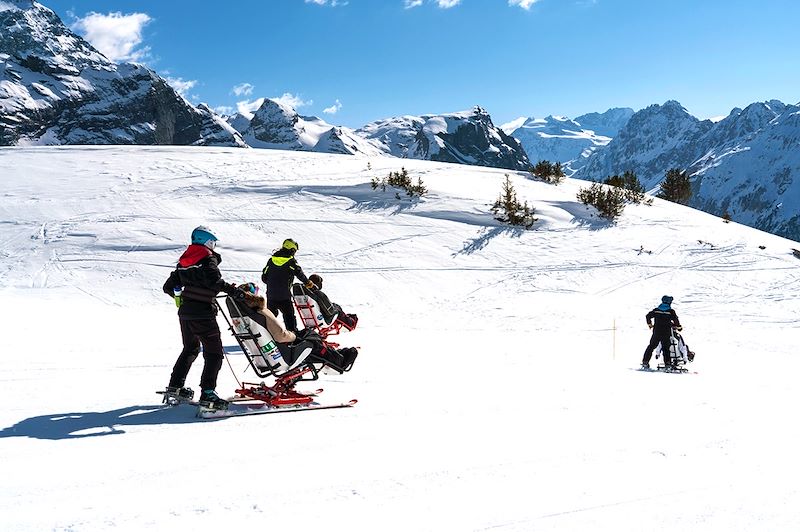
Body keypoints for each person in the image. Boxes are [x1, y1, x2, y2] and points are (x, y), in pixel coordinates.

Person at [162, 226, 246, 409]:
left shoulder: (183, 261)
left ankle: (175, 386)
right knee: (214, 353)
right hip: (203, 313)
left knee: (190, 349)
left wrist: (183, 295)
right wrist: (235, 292)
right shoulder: (208, 257)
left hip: (185, 313)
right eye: (213, 242)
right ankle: (208, 393)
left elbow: (168, 287)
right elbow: (214, 282)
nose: (214, 245)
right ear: (207, 241)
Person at [237, 282, 358, 370]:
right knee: (311, 338)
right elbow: (281, 335)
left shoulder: (245, 316)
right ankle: (339, 361)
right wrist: (294, 335)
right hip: (282, 355)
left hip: (265, 357)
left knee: (308, 338)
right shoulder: (262, 312)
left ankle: (334, 355)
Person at [261, 238, 312, 332]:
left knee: (270, 318)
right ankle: (293, 335)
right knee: (289, 317)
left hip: (271, 295)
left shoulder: (271, 260)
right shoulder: (291, 262)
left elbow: (264, 277)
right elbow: (299, 273)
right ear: (292, 250)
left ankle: (267, 336)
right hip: (284, 296)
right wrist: (307, 282)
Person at [642, 295, 682, 370]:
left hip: (656, 332)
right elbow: (676, 320)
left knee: (651, 346)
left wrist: (650, 324)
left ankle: (645, 362)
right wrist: (679, 327)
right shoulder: (670, 311)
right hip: (666, 332)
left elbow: (648, 316)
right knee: (666, 348)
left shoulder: (656, 310)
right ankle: (668, 364)